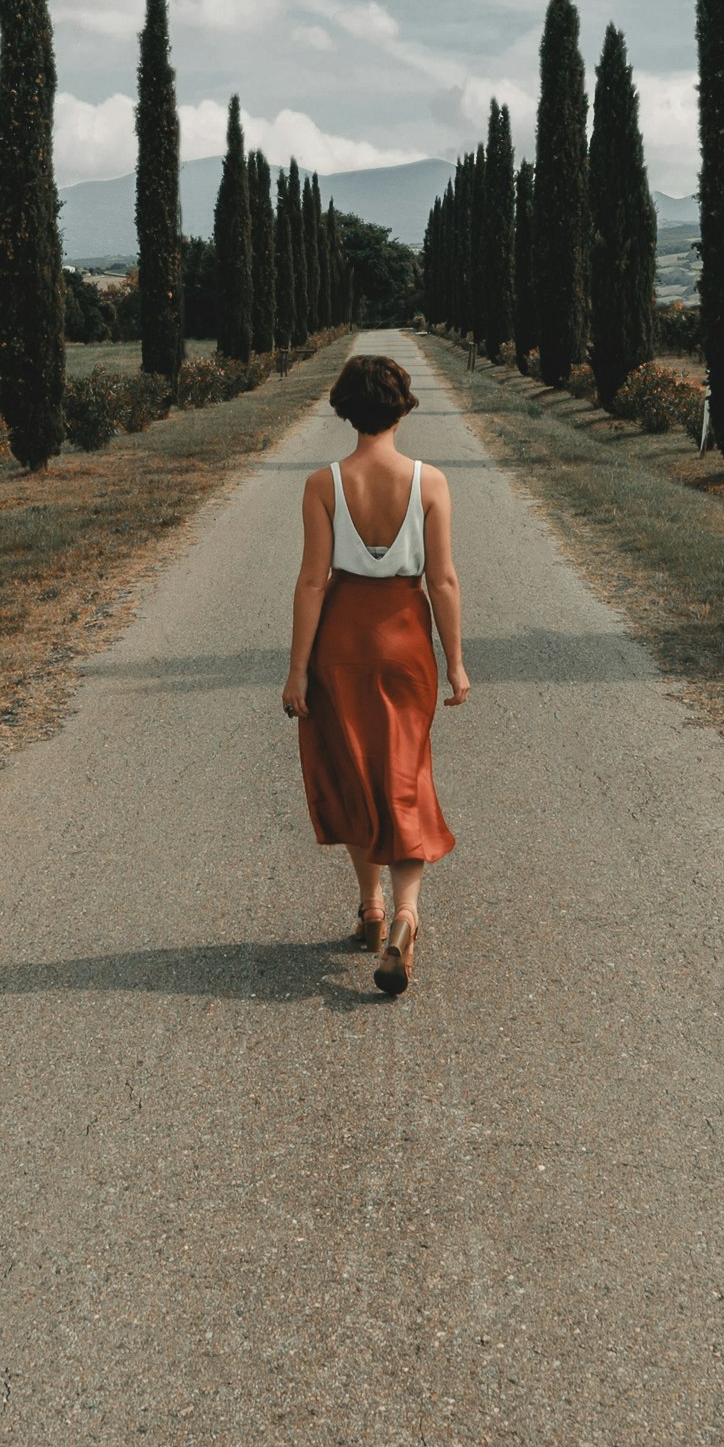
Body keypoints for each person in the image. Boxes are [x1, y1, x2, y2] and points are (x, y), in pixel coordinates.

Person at [282, 349, 470, 997]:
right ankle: (406, 916)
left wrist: (296, 673)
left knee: (355, 770)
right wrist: (457, 665)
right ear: (402, 406)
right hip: (406, 636)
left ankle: (371, 908)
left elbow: (311, 582)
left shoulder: (323, 484)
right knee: (405, 775)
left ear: (344, 409)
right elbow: (442, 580)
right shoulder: (431, 482)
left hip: (341, 637)